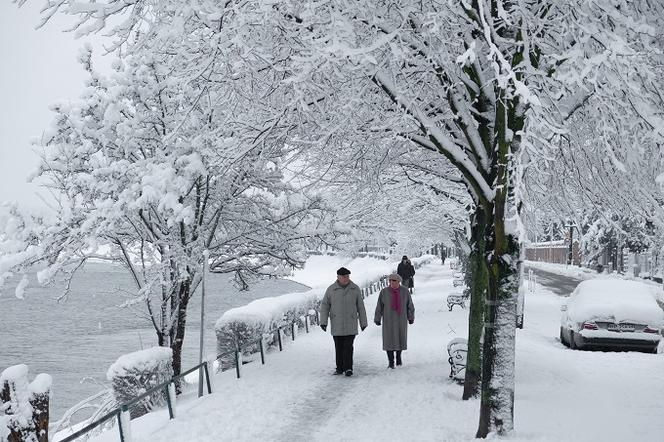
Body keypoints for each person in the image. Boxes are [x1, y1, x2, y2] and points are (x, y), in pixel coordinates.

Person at [319, 267, 368, 377]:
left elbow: (360, 307)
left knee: (348, 346)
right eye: (344, 277)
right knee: (339, 346)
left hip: (351, 322)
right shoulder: (331, 289)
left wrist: (363, 322)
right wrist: (323, 322)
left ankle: (348, 368)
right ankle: (340, 368)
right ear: (338, 277)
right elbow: (325, 306)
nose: (346, 278)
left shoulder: (354, 289)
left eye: (347, 276)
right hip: (337, 323)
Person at [374, 273, 415, 368]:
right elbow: (379, 306)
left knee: (400, 339)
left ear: (399, 282)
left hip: (401, 319)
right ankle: (391, 361)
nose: (392, 283)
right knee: (389, 340)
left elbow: (410, 306)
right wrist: (377, 318)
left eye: (394, 281)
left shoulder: (405, 291)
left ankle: (399, 357)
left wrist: (411, 317)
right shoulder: (384, 292)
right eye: (391, 281)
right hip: (388, 320)